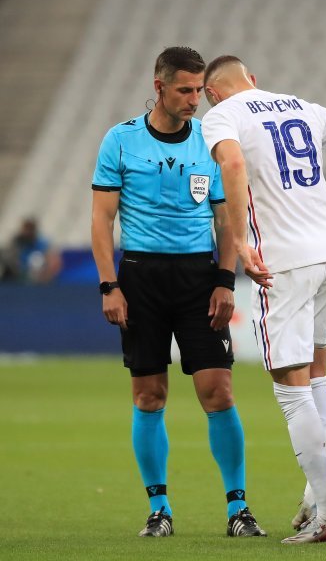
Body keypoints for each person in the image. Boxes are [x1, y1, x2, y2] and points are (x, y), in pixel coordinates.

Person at [201, 55, 326, 544]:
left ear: (212, 93)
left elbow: (234, 163)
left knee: (290, 387)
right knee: (317, 375)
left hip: (283, 261)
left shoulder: (222, 115)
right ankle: (314, 495)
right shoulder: (306, 108)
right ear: (253, 80)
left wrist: (240, 242)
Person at [90, 47, 265, 538]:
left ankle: (238, 509)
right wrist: (110, 286)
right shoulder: (120, 140)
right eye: (185, 90)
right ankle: (159, 510)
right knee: (149, 396)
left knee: (219, 391)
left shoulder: (212, 140)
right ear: (159, 86)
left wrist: (226, 280)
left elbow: (226, 217)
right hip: (140, 279)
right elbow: (102, 222)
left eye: (198, 90)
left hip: (198, 279)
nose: (195, 99)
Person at [1, 218, 62, 283]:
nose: (27, 232)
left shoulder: (43, 244)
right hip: (21, 277)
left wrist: (46, 274)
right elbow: (12, 262)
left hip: (40, 278)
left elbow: (53, 262)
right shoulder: (17, 243)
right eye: (26, 229)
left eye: (30, 229)